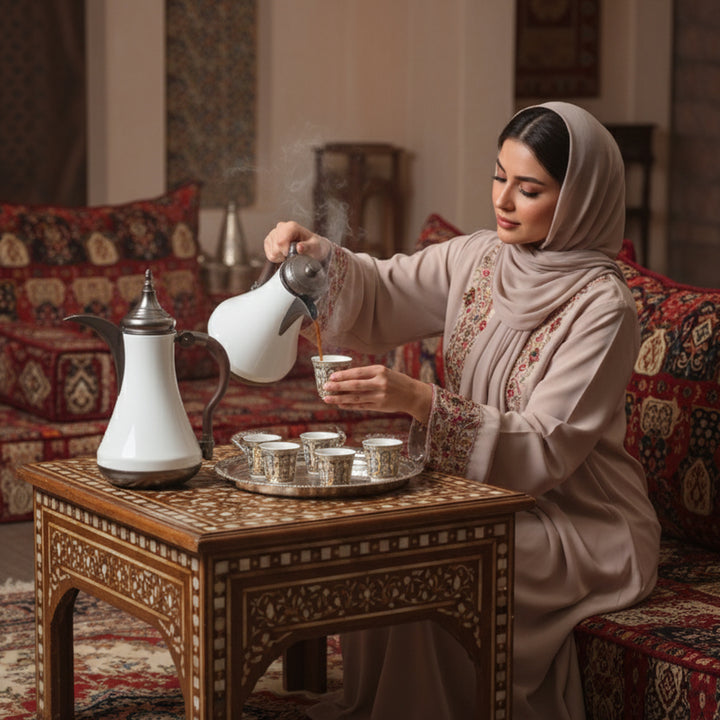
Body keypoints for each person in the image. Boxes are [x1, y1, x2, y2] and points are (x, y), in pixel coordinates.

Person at [263, 102, 661, 719]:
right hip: (471, 494)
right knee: (381, 532)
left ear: (579, 198)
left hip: (576, 523)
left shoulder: (603, 309)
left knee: (435, 564)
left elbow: (548, 448)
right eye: (499, 176)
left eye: (528, 189)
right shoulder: (479, 258)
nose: (503, 199)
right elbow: (385, 287)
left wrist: (417, 398)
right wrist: (317, 256)